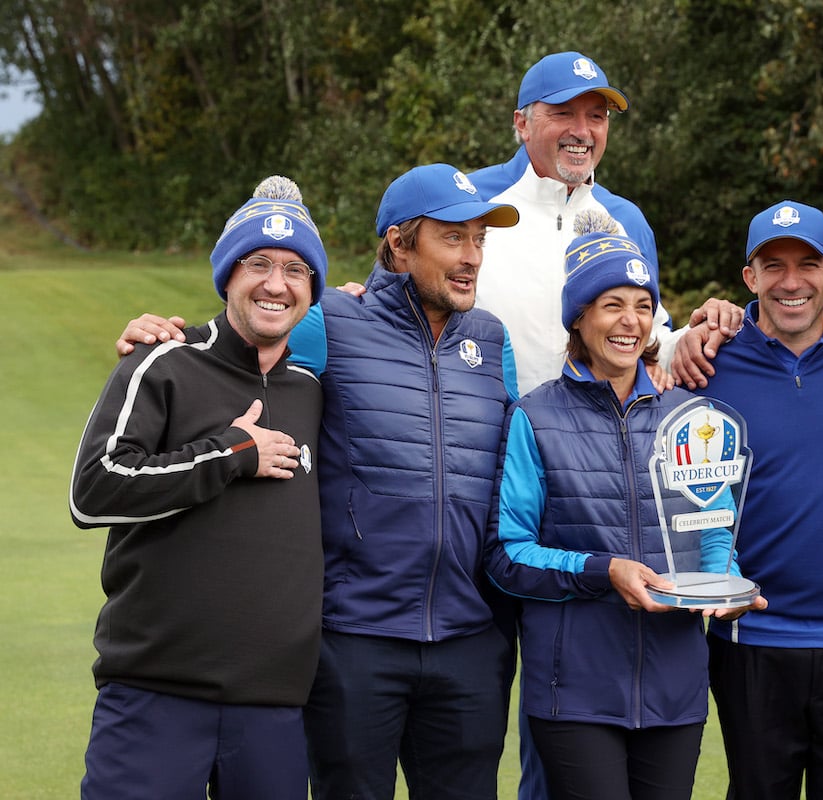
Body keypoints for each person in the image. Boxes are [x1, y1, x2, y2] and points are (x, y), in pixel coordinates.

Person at [113, 163, 522, 800]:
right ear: (399, 244)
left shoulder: (492, 341)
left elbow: (520, 466)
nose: (471, 257)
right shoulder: (331, 321)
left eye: (479, 239)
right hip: (353, 638)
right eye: (452, 238)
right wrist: (164, 336)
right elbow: (247, 336)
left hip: (470, 643)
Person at [485, 221, 767, 800]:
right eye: (612, 304)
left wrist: (723, 584)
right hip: (575, 691)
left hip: (675, 688)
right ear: (579, 319)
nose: (630, 321)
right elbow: (507, 554)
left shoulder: (688, 417)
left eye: (643, 306)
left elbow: (711, 529)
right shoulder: (534, 418)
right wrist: (604, 571)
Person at [69, 176, 328, 799]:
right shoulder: (162, 362)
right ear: (227, 276)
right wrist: (230, 452)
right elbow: (94, 489)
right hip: (156, 694)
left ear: (312, 291)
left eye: (296, 270)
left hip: (274, 706)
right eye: (258, 263)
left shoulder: (312, 391)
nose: (276, 283)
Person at [684, 201, 823, 799]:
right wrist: (684, 335)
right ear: (749, 277)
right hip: (751, 636)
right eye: (772, 265)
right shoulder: (708, 360)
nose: (791, 281)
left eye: (808, 264)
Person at [469, 50, 741, 395]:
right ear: (523, 124)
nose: (582, 131)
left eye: (596, 116)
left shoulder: (627, 219)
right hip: (487, 437)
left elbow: (648, 344)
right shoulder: (469, 201)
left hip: (593, 442)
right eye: (563, 113)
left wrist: (695, 333)